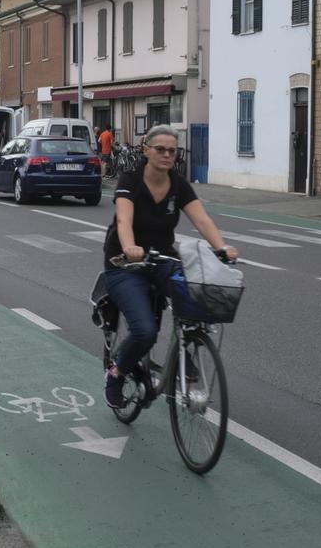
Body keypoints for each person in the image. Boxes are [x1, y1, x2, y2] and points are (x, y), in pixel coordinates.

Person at [101, 124, 239, 408]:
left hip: (163, 259)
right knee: (145, 332)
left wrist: (221, 247)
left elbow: (201, 220)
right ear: (146, 150)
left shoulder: (178, 184)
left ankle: (187, 347)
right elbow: (124, 219)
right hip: (124, 265)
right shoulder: (131, 178)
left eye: (172, 151)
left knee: (197, 300)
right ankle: (116, 373)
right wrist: (129, 248)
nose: (166, 155)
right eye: (160, 149)